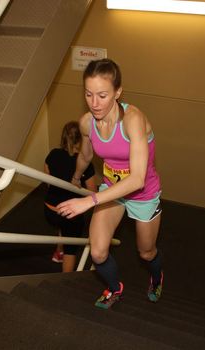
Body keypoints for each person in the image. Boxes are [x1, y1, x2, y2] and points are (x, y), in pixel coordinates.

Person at [56, 58, 163, 309]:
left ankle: (157, 277)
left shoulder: (132, 120)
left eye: (102, 95)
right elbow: (85, 155)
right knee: (98, 252)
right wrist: (75, 178)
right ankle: (115, 288)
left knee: (146, 252)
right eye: (89, 94)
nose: (95, 103)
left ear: (118, 92)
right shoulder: (87, 123)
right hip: (111, 191)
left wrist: (88, 200)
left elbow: (137, 179)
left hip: (143, 193)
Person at [44, 121, 96, 272]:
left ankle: (58, 252)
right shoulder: (85, 164)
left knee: (62, 225)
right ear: (82, 141)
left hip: (50, 210)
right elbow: (92, 194)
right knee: (71, 251)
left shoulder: (52, 155)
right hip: (69, 215)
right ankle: (65, 281)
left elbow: (48, 182)